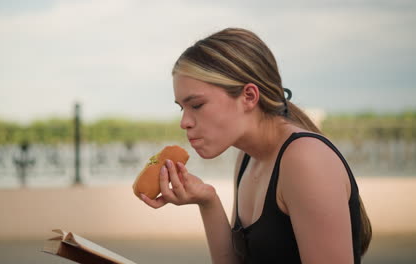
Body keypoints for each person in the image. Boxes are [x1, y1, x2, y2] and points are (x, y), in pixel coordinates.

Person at [140, 28, 372, 264]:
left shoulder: (305, 160)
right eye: (182, 108)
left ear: (249, 96)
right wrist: (207, 201)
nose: (184, 122)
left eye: (197, 105)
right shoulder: (248, 157)